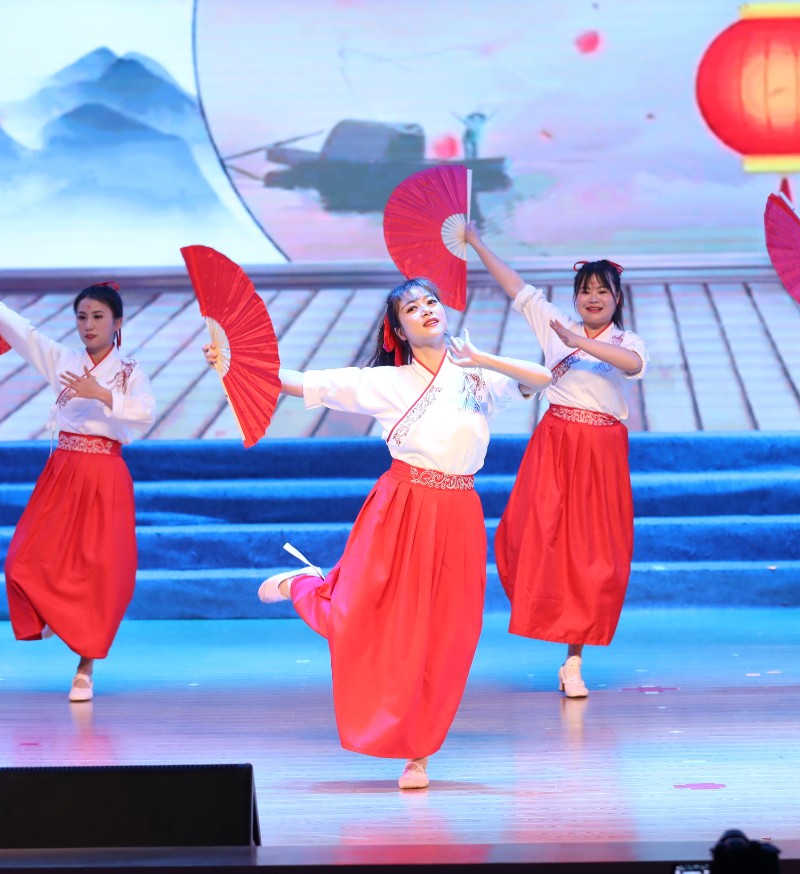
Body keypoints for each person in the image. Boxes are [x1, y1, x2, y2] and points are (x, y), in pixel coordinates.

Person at [218, 278, 550, 790]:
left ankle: (419, 753)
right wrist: (234, 362)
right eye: (411, 309)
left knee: (448, 635)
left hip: (459, 512)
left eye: (431, 302)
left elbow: (542, 377)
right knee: (363, 615)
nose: (426, 310)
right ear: (398, 329)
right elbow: (302, 383)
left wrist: (482, 358)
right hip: (402, 506)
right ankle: (303, 586)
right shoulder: (386, 383)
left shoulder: (477, 377)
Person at [0, 272, 154, 702]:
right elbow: (23, 332)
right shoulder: (63, 359)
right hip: (63, 469)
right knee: (21, 560)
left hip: (106, 473)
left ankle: (85, 666)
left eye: (98, 316)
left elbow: (144, 416)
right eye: (82, 317)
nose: (88, 325)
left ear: (117, 323)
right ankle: (49, 616)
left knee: (101, 571)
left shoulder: (130, 372)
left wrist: (103, 394)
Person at [465, 231, 646, 697]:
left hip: (602, 452)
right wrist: (475, 241)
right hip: (555, 442)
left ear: (617, 298)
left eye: (602, 290)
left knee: (593, 555)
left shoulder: (627, 340)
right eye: (585, 290)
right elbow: (515, 286)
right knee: (530, 536)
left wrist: (577, 341)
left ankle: (574, 659)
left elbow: (629, 363)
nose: (593, 298)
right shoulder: (555, 324)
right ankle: (538, 611)